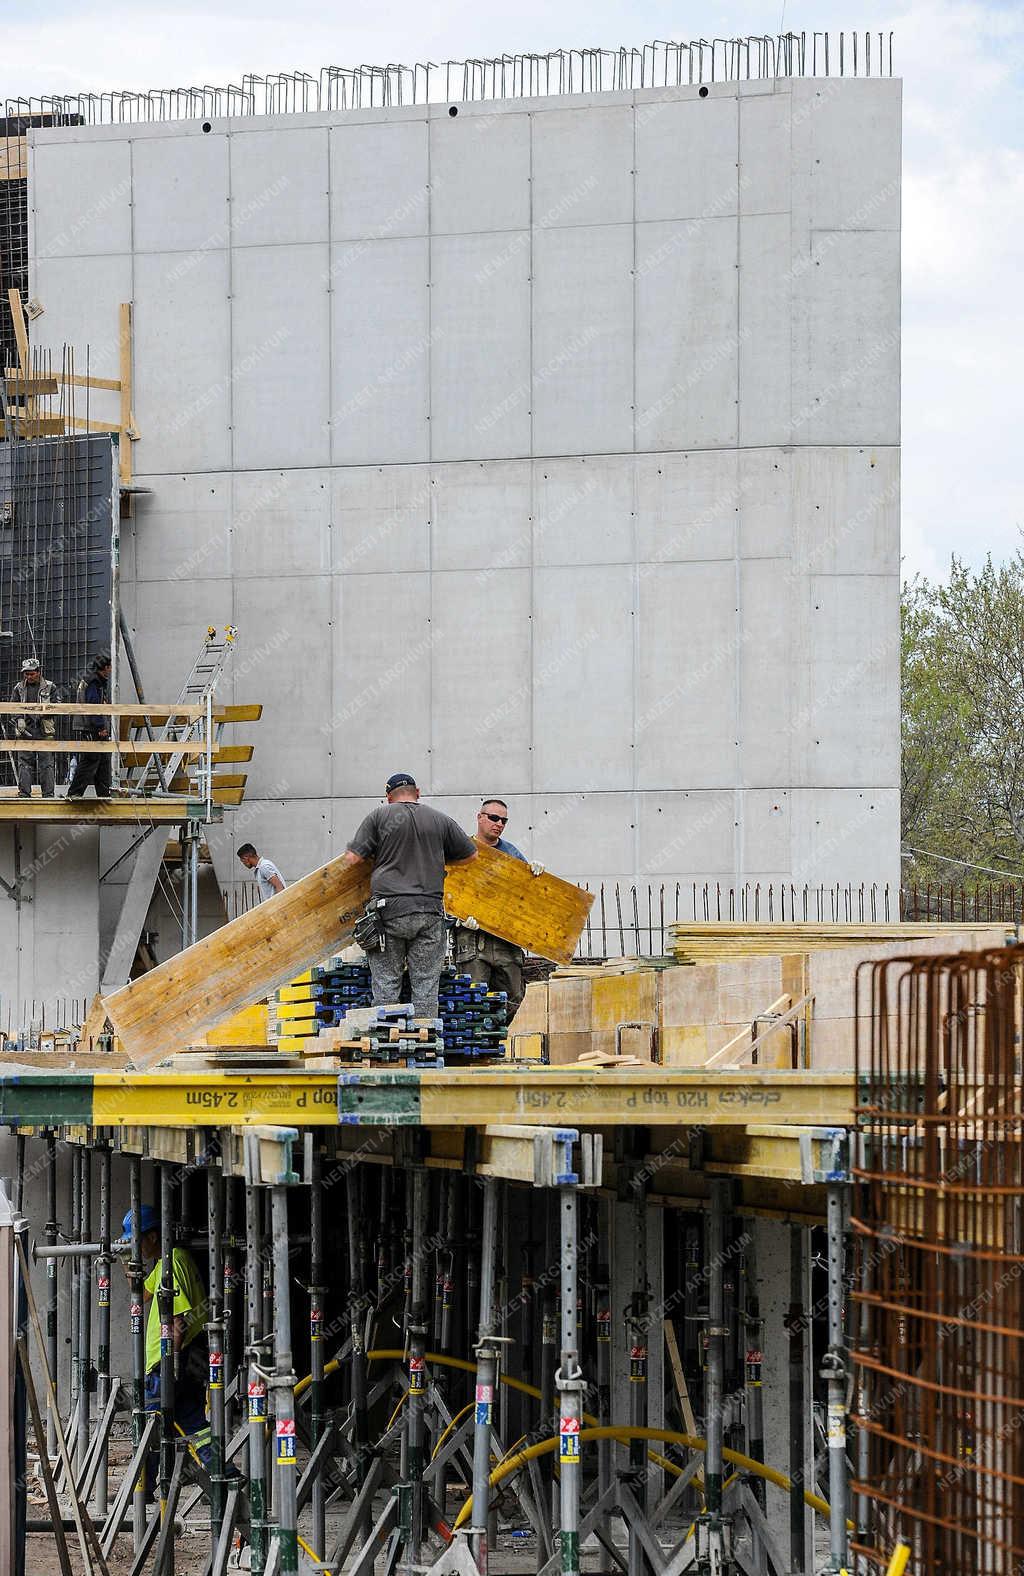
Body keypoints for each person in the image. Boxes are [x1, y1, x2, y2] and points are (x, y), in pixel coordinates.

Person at [343, 772, 477, 1020]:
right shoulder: (439, 819)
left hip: (389, 911)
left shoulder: (379, 816)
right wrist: (435, 858)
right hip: (429, 910)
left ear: (388, 797)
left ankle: (387, 1045)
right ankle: (425, 1045)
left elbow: (353, 859)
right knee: (426, 986)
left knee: (386, 984)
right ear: (418, 793)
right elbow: (471, 856)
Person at [117, 1204, 211, 1496]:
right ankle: (224, 1475)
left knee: (151, 1423)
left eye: (137, 1240)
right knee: (192, 1423)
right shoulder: (163, 1263)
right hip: (185, 1356)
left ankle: (144, 1490)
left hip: (175, 1358)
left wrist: (171, 1366)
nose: (135, 1247)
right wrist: (126, 1262)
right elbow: (142, 1294)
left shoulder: (173, 1262)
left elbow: (179, 1323)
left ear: (154, 1236)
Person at [454, 798, 541, 1018]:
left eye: (504, 820)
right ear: (480, 817)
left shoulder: (511, 853)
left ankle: (500, 1045)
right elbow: (443, 889)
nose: (499, 824)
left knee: (512, 1000)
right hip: (472, 940)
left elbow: (527, 898)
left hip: (505, 941)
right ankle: (475, 1050)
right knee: (472, 1001)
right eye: (494, 818)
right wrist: (456, 919)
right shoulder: (460, 849)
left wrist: (535, 877)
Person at [67, 651, 112, 799]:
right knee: (91, 759)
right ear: (105, 667)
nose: (110, 670)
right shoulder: (93, 682)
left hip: (91, 726)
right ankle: (75, 792)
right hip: (90, 727)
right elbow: (93, 706)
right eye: (109, 667)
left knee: (103, 760)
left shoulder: (93, 681)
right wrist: (100, 727)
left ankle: (104, 794)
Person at [11, 656, 57, 798]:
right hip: (25, 731)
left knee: (47, 764)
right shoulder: (18, 689)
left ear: (39, 672)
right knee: (24, 764)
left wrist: (46, 714)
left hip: (44, 731)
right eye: (26, 674)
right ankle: (24, 794)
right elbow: (13, 708)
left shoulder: (50, 687)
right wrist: (18, 720)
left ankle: (48, 795)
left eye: (31, 673)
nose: (29, 676)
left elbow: (58, 707)